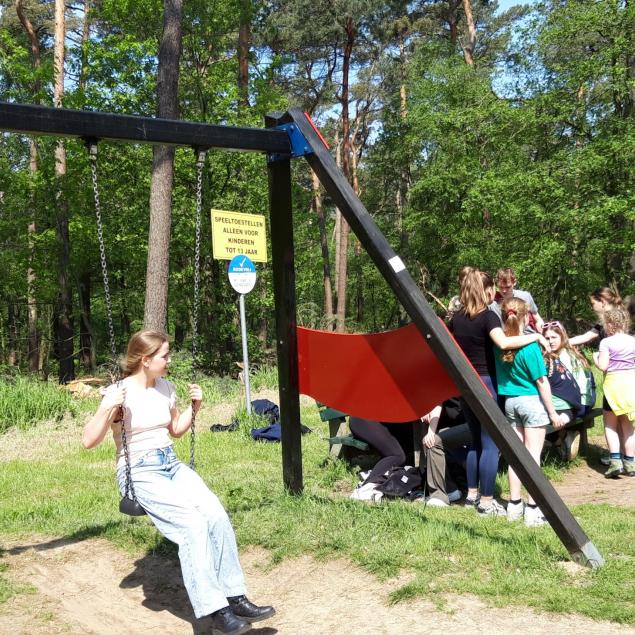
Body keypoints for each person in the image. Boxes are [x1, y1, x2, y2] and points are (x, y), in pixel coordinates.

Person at [82, 330, 274, 635]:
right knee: (192, 526)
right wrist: (108, 407)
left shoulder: (165, 387)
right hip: (140, 471)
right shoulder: (118, 393)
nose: (170, 360)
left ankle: (234, 596)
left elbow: (175, 430)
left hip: (171, 463)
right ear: (145, 360)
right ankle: (216, 611)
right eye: (165, 356)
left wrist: (194, 407)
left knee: (216, 516)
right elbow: (88, 440)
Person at [448, 268, 549, 517]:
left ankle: (471, 495)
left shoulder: (456, 318)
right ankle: (486, 501)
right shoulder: (487, 317)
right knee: (490, 443)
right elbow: (504, 343)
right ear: (487, 290)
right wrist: (535, 337)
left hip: (464, 383)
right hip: (486, 385)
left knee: (475, 441)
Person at [495, 298, 565, 527]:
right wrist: (553, 413)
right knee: (533, 457)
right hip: (531, 403)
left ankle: (514, 505)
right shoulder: (530, 347)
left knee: (516, 457)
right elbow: (542, 382)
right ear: (526, 317)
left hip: (510, 403)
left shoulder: (499, 344)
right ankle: (533, 509)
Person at [542, 321, 595, 459]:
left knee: (542, 414)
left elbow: (567, 388)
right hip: (586, 400)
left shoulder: (562, 356)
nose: (550, 341)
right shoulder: (569, 350)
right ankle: (561, 439)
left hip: (579, 403)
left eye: (554, 337)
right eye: (547, 338)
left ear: (562, 337)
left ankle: (560, 437)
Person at [593, 309, 635, 478]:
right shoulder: (633, 341)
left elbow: (603, 366)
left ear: (609, 324)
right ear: (625, 323)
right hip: (631, 386)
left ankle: (615, 462)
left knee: (610, 425)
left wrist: (595, 358)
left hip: (613, 387)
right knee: (629, 427)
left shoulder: (606, 342)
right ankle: (630, 463)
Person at [421, 398, 470, 507]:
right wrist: (426, 410)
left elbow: (438, 400)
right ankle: (449, 490)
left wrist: (431, 432)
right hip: (447, 420)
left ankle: (445, 492)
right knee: (430, 440)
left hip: (470, 422)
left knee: (433, 441)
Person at [490, 268, 544, 332]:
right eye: (501, 287)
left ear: (514, 282)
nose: (504, 291)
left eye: (508, 287)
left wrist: (541, 326)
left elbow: (537, 318)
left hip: (528, 333)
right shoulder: (492, 302)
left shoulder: (525, 296)